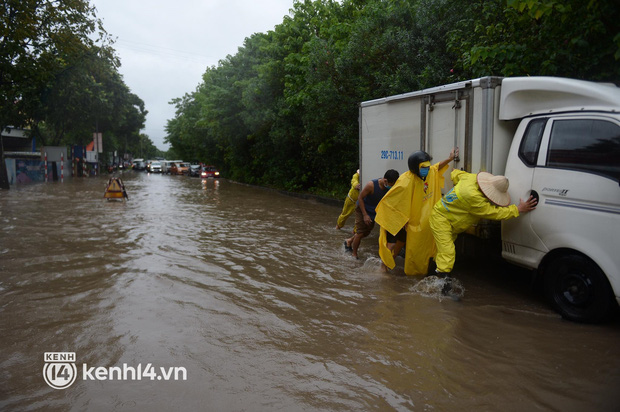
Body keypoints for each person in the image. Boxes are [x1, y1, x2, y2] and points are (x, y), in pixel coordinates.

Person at [429, 170, 537, 293]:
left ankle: (431, 274)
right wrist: (518, 209)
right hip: (441, 220)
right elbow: (496, 213)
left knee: (442, 251)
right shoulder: (474, 198)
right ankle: (444, 288)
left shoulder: (469, 178)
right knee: (448, 252)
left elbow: (455, 173)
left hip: (449, 219)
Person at [375, 148, 458, 275]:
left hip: (415, 219)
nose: (427, 168)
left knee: (401, 243)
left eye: (427, 166)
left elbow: (436, 168)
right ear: (415, 168)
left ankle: (390, 262)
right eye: (424, 167)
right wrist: (401, 219)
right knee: (391, 244)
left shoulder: (428, 173)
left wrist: (450, 158)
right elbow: (392, 201)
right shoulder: (405, 180)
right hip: (400, 219)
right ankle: (383, 267)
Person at [345, 169, 399, 259]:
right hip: (362, 209)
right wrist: (365, 215)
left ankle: (349, 241)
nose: (391, 187)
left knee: (366, 233)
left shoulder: (389, 187)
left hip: (374, 211)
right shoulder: (371, 185)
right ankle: (354, 254)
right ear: (385, 181)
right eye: (391, 185)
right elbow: (360, 198)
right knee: (360, 232)